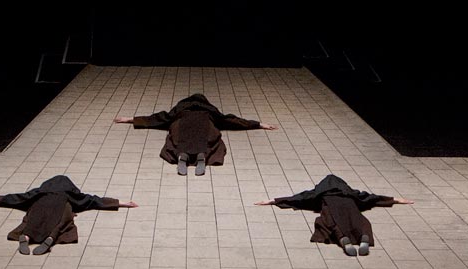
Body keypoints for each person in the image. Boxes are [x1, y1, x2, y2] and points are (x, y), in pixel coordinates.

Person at [114, 93, 277, 175]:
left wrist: (130, 119)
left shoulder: (180, 109)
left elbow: (158, 118)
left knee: (179, 137)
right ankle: (201, 154)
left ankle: (182, 154)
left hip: (182, 120)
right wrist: (259, 124)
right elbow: (232, 120)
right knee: (207, 136)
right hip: (205, 121)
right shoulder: (210, 110)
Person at [0, 175, 138, 255]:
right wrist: (121, 203)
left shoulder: (40, 192)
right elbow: (95, 200)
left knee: (31, 220)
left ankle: (25, 237)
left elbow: (17, 198)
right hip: (62, 204)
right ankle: (50, 239)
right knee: (61, 222)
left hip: (40, 204)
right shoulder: (68, 194)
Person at [256, 175, 413, 256]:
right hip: (350, 204)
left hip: (329, 204)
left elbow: (298, 198)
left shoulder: (319, 192)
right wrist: (395, 199)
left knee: (330, 222)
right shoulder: (351, 193)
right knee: (359, 220)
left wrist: (273, 200)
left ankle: (342, 239)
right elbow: (372, 198)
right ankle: (364, 236)